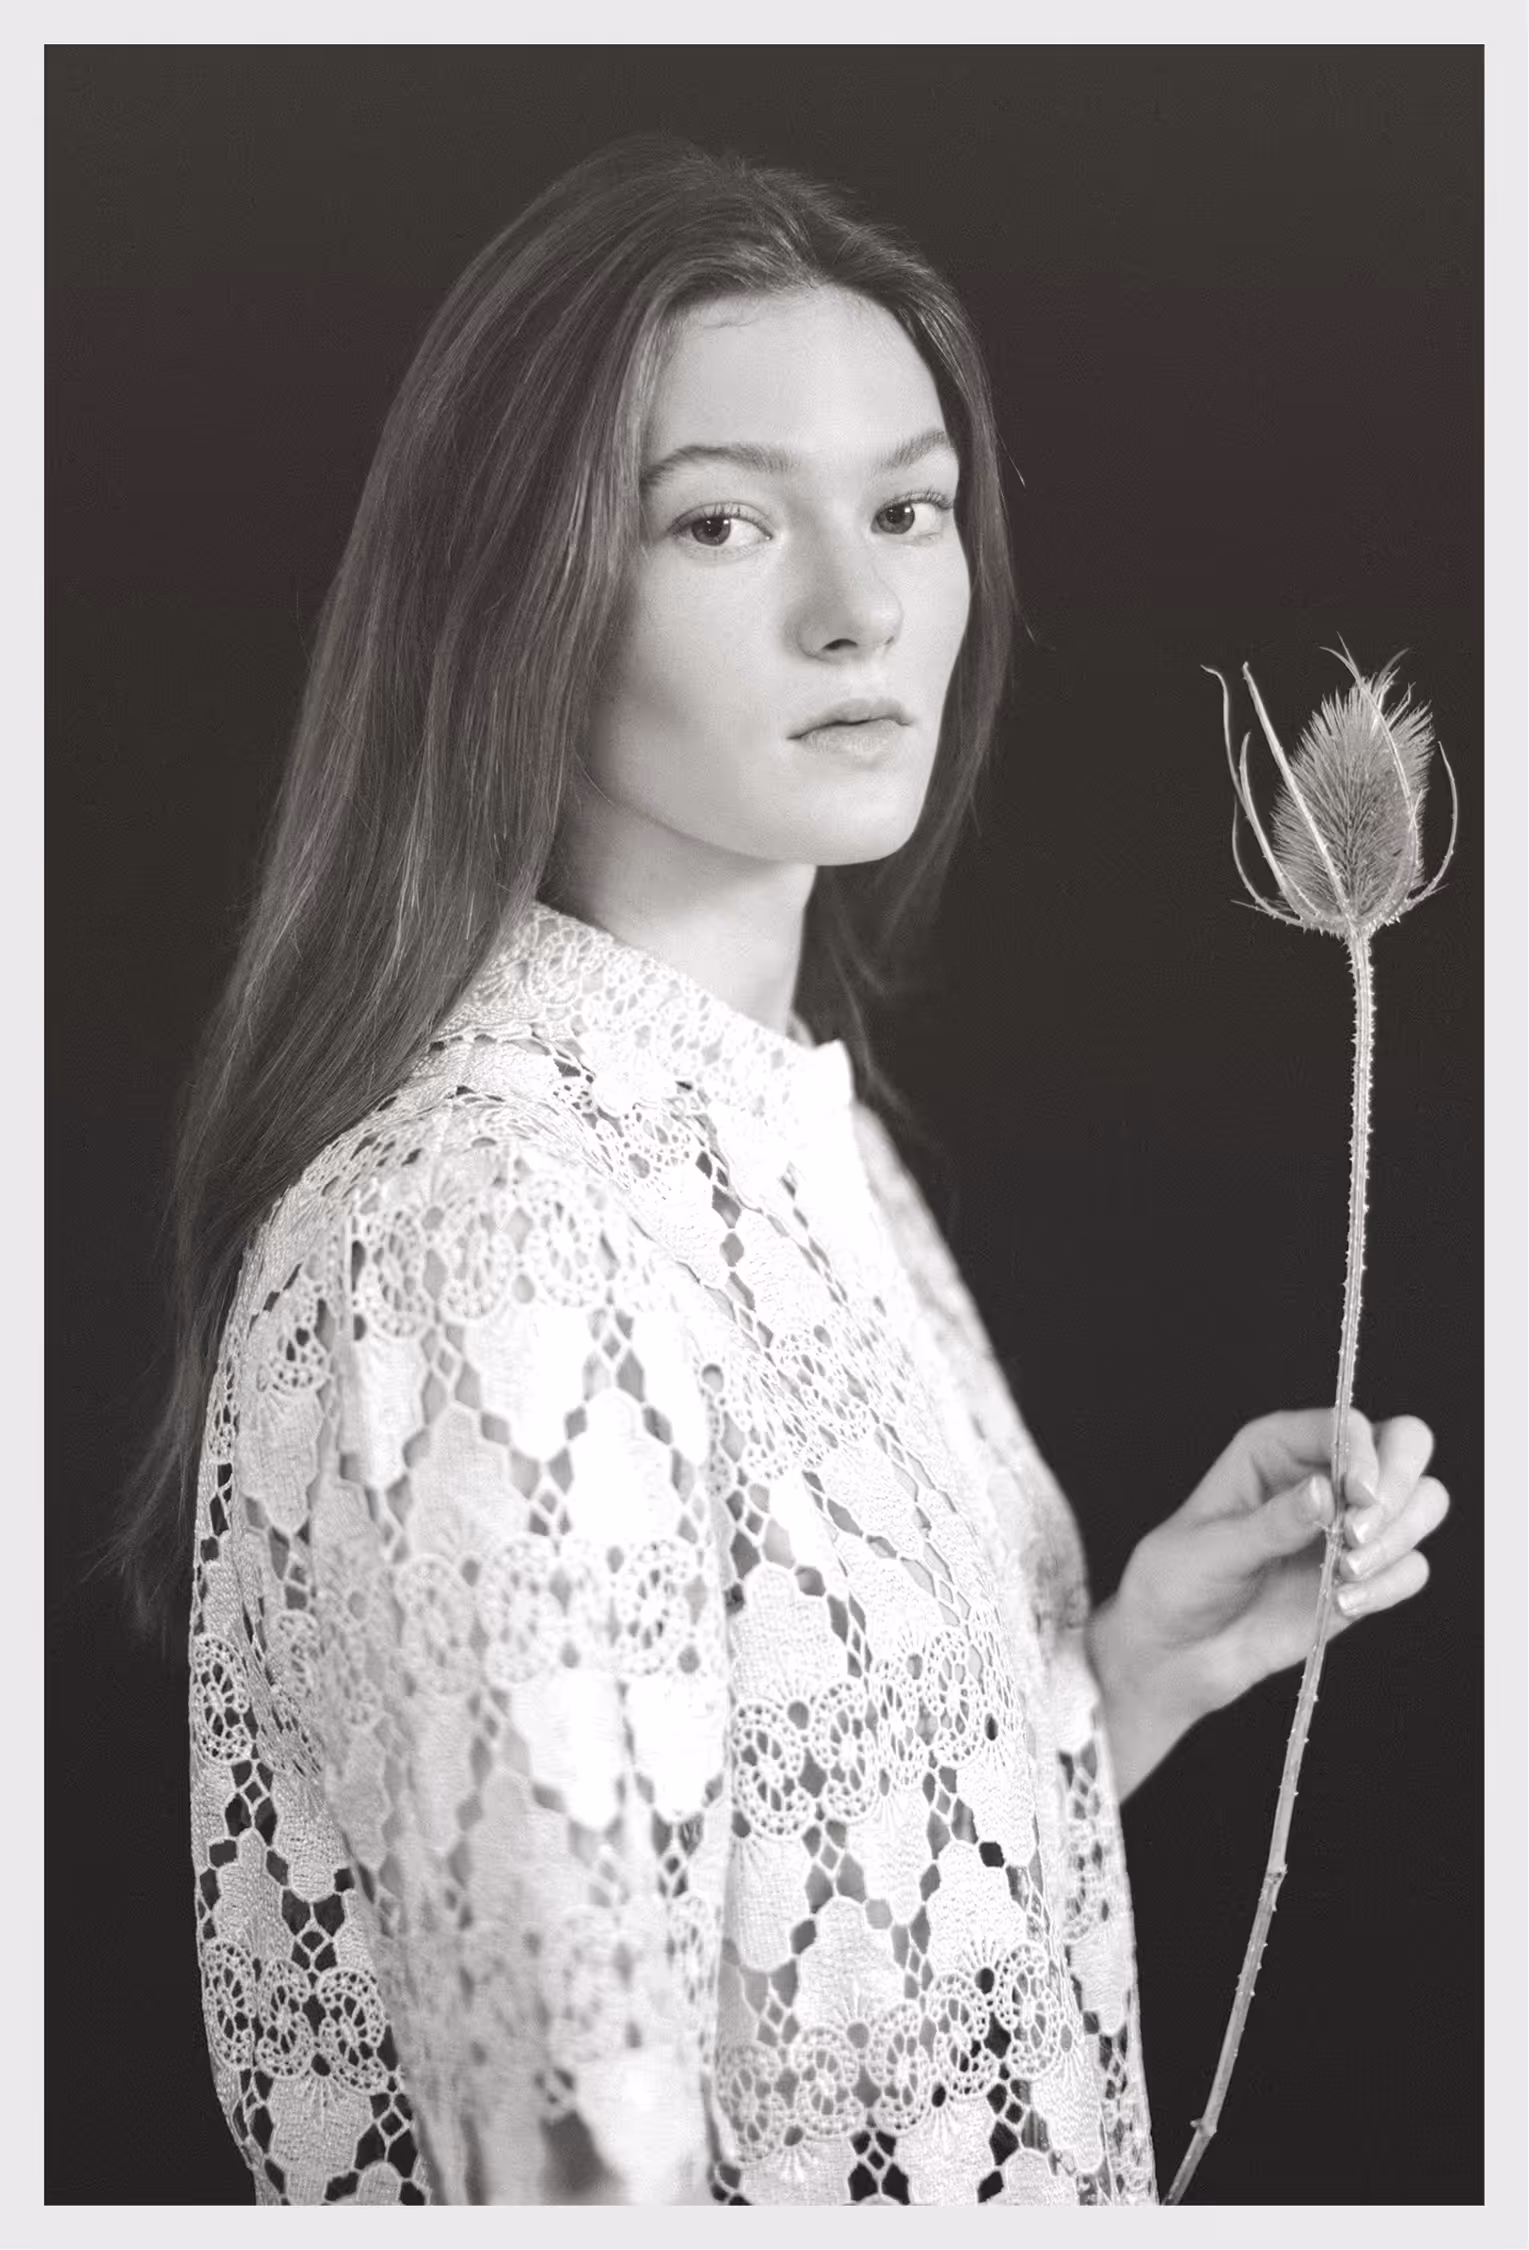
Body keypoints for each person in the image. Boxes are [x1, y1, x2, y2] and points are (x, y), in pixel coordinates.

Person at [112, 134, 1449, 2207]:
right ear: (519, 591)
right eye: (723, 522)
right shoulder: (495, 1239)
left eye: (908, 508)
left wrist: (1123, 1671)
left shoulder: (794, 1139)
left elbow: (798, 1990)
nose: (863, 608)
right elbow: (582, 2171)